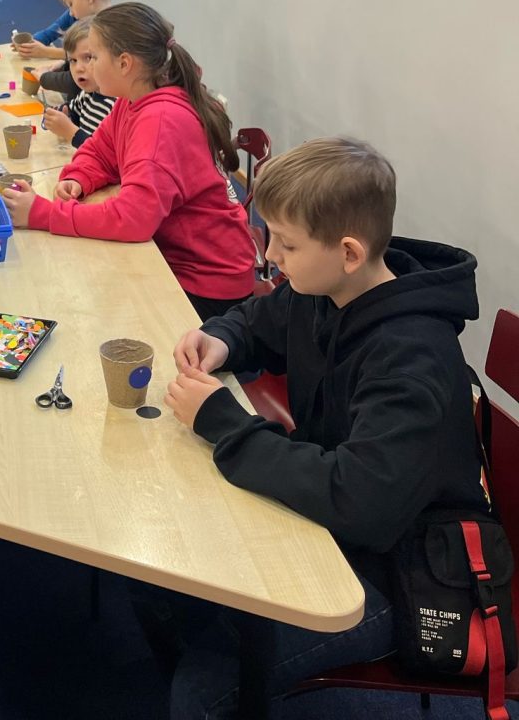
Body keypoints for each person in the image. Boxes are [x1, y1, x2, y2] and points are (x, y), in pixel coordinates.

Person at [160, 136, 487, 719]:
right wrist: (222, 338)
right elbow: (258, 320)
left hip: (396, 571)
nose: (270, 256)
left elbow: (359, 501)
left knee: (200, 693)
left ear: (350, 252)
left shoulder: (411, 359)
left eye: (286, 244)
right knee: (174, 578)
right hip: (335, 520)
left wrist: (224, 423)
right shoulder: (326, 287)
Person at [2, 3, 256, 319]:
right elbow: (100, 151)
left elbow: (133, 219)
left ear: (124, 64)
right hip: (184, 259)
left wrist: (43, 214)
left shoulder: (159, 121)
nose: (87, 67)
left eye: (93, 57)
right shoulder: (133, 99)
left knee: (93, 308)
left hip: (208, 286)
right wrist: (79, 178)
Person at [40, 19, 116, 149]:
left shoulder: (116, 106)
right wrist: (60, 115)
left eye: (88, 58)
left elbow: (104, 153)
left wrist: (71, 132)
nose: (78, 68)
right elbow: (72, 112)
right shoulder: (87, 95)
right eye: (73, 60)